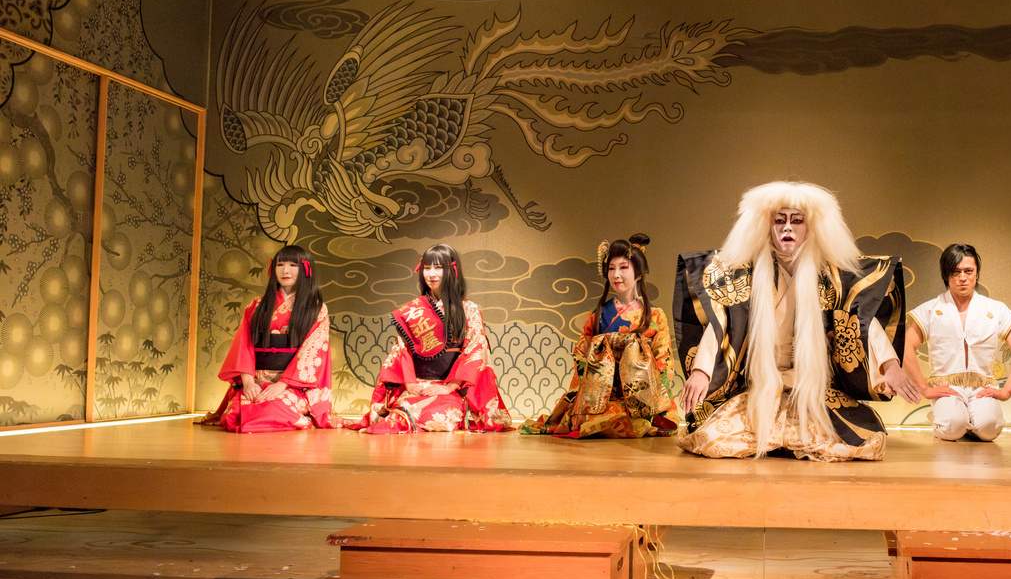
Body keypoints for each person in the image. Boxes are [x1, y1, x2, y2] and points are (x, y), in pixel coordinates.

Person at [675, 181, 921, 461]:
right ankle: (777, 436)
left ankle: (782, 438)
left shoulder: (829, 276)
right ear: (767, 226)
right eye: (779, 220)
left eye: (796, 221)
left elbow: (859, 319)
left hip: (812, 389)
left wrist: (890, 366)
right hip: (761, 387)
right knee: (710, 440)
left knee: (868, 442)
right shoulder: (748, 274)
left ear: (809, 227)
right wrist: (702, 371)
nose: (787, 228)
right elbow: (723, 323)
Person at [523, 233, 682, 438]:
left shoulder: (655, 315)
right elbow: (581, 355)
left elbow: (663, 360)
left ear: (638, 274)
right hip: (601, 395)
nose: (616, 275)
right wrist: (582, 395)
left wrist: (657, 400)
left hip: (641, 396)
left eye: (623, 268)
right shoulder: (598, 314)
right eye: (611, 269)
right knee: (588, 419)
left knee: (637, 421)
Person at [352, 244, 513, 433]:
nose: (431, 274)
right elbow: (401, 350)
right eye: (427, 268)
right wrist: (410, 383)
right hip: (418, 384)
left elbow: (475, 351)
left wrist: (449, 387)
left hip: (452, 388)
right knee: (405, 409)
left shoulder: (468, 310)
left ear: (452, 270)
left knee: (439, 416)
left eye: (438, 268)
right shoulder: (413, 311)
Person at [902, 244, 1011, 441]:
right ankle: (950, 420)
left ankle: (971, 423)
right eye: (956, 272)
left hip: (982, 387)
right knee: (952, 429)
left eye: (968, 271)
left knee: (989, 430)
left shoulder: (995, 309)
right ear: (946, 275)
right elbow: (905, 348)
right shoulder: (930, 310)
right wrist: (926, 390)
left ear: (977, 274)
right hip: (947, 387)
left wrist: (1006, 391)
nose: (962, 277)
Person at [202, 244, 335, 432]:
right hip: (256, 381)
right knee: (233, 415)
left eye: (293, 265)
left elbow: (312, 351)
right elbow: (243, 346)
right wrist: (248, 383)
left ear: (306, 269)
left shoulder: (316, 309)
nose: (285, 270)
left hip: (293, 386)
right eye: (280, 265)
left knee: (273, 408)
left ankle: (303, 418)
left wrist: (282, 384)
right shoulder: (256, 306)